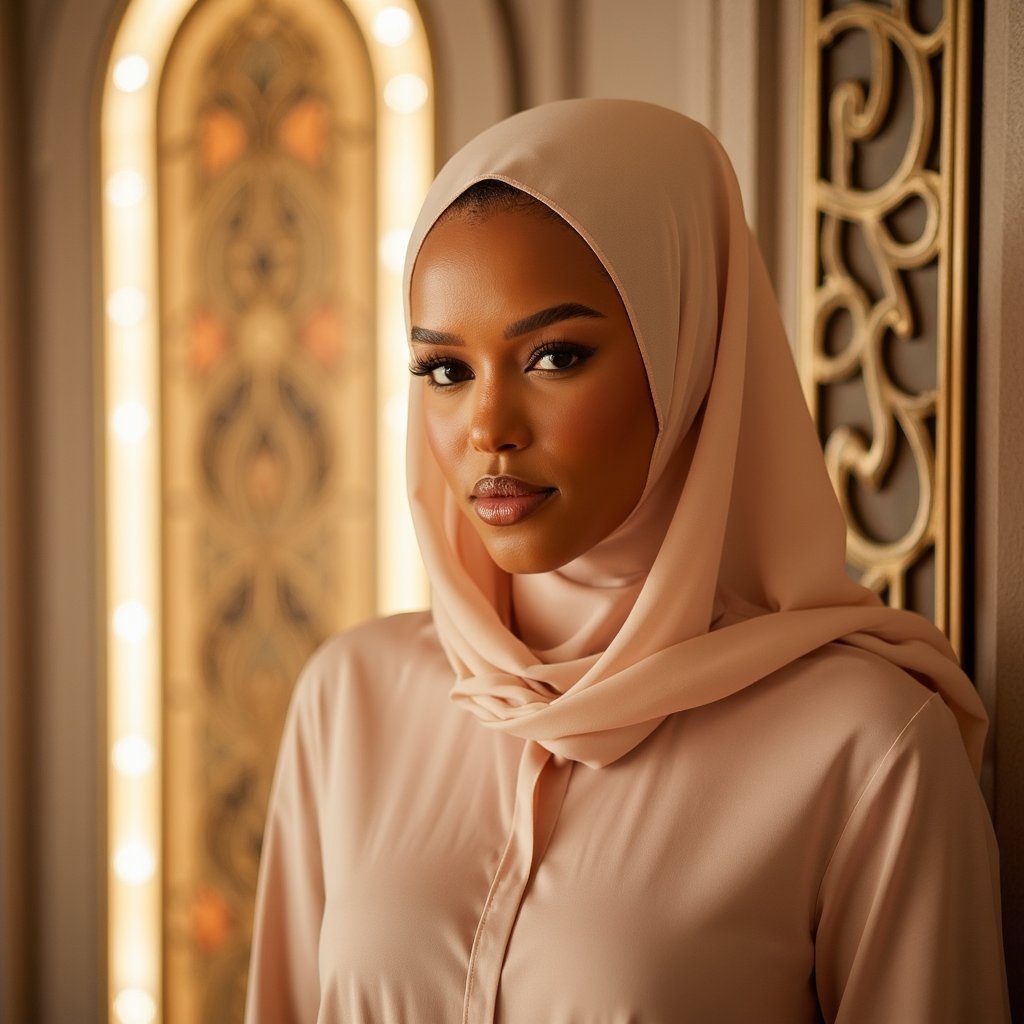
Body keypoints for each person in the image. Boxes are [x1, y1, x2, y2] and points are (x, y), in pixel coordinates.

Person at [244, 99, 1010, 1023]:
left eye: (556, 356)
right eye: (446, 371)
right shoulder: (350, 701)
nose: (489, 428)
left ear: (687, 353)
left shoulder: (865, 750)